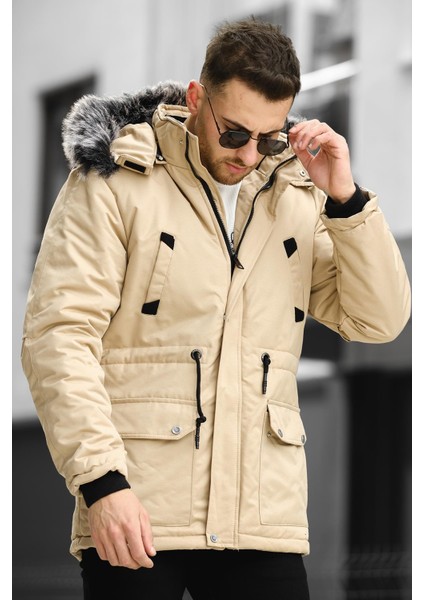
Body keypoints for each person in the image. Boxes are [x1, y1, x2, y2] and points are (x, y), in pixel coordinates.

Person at [21, 16, 411, 600]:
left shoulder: (295, 195)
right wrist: (101, 483)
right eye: (234, 134)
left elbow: (378, 320)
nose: (249, 154)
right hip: (138, 511)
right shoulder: (116, 178)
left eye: (270, 138)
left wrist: (346, 200)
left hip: (262, 520)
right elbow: (58, 336)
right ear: (197, 99)